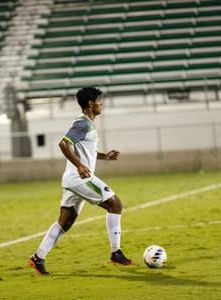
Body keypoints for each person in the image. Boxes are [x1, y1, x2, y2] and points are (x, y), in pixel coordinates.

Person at [29, 87, 131, 275]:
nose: (102, 104)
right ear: (91, 103)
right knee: (115, 204)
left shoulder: (88, 125)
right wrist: (79, 166)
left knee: (64, 223)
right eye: (99, 101)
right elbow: (63, 144)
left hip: (73, 180)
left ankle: (38, 257)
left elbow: (86, 152)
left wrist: (104, 157)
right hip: (79, 178)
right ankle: (115, 252)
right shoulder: (82, 123)